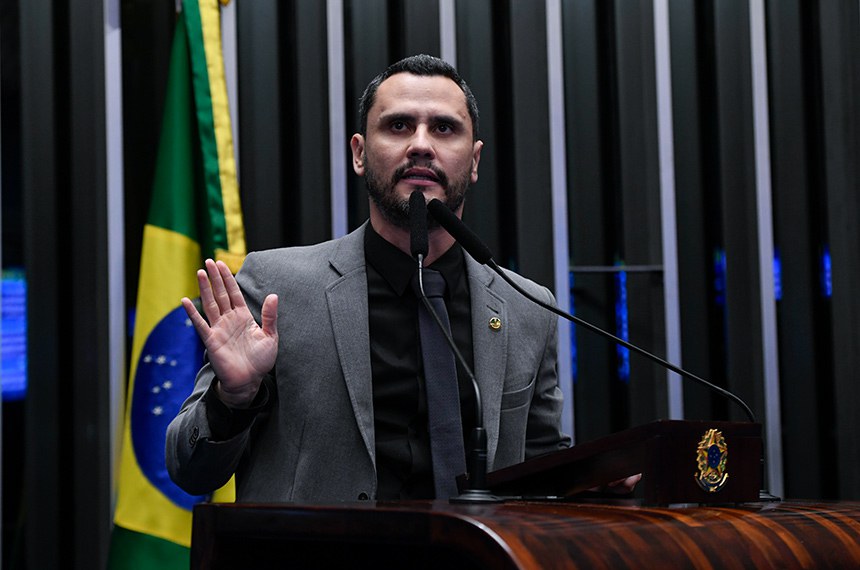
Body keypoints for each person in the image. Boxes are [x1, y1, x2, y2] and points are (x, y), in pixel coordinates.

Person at [166, 54, 576, 502]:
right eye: (398, 126)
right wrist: (234, 397)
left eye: (443, 128)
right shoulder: (275, 292)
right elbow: (189, 471)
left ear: (474, 160)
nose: (421, 144)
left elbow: (543, 478)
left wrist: (597, 484)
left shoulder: (527, 309)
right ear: (360, 153)